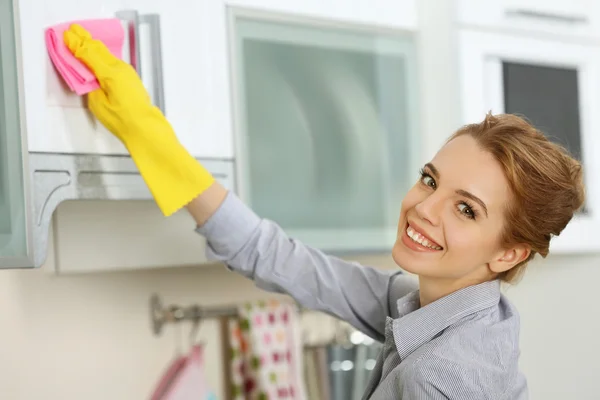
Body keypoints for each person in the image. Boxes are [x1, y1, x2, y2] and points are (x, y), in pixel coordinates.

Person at [63, 25, 584, 399]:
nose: (423, 208)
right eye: (430, 179)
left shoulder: (436, 376)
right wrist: (153, 142)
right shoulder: (437, 306)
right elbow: (277, 259)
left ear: (509, 252)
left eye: (466, 209)